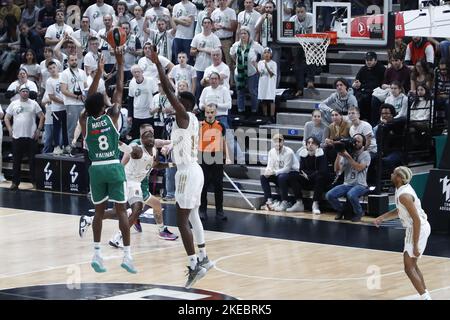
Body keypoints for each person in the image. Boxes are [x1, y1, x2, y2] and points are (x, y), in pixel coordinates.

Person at [150, 44, 213, 289]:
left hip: (188, 172)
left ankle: (194, 263)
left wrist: (158, 64)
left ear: (183, 104)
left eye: (177, 100)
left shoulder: (184, 115)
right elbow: (178, 143)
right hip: (192, 170)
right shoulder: (190, 121)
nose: (172, 102)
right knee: (193, 216)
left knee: (180, 219)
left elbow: (167, 88)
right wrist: (165, 145)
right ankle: (204, 256)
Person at [78, 49, 137, 274]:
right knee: (122, 211)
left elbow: (88, 100)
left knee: (99, 212)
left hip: (96, 169)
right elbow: (120, 89)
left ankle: (96, 254)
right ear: (103, 106)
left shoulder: (85, 120)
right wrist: (120, 65)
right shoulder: (112, 116)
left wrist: (99, 74)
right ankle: (127, 256)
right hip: (113, 166)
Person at [79, 124, 179, 246]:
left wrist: (172, 164)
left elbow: (156, 165)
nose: (150, 139)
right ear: (142, 140)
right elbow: (124, 147)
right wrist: (109, 138)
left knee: (120, 211)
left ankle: (89, 220)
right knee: (136, 209)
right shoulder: (137, 150)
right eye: (146, 137)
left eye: (151, 136)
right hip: (128, 182)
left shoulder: (153, 150)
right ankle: (119, 236)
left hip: (136, 183)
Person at [374, 166, 432, 300]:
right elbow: (400, 211)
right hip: (416, 227)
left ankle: (426, 297)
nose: (391, 174)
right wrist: (382, 217)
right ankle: (425, 294)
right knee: (412, 265)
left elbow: (416, 220)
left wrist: (416, 244)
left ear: (399, 178)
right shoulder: (400, 190)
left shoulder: (404, 195)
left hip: (418, 227)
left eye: (394, 173)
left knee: (408, 267)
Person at [4, 84, 45, 191]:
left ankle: (34, 182)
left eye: (27, 91)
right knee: (16, 161)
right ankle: (15, 183)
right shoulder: (14, 103)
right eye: (23, 91)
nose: (25, 93)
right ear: (19, 92)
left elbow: (42, 116)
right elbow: (7, 117)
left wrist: (38, 130)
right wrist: (9, 128)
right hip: (17, 136)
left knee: (32, 161)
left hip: (31, 137)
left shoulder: (34, 103)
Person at [325, 133, 371, 222]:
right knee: (329, 195)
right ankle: (341, 210)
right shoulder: (347, 152)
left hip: (360, 184)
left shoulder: (365, 154)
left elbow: (359, 168)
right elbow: (337, 170)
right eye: (354, 141)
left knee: (351, 194)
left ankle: (359, 213)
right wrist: (339, 152)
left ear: (363, 144)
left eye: (358, 141)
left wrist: (347, 156)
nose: (355, 143)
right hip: (347, 184)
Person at [199, 103, 230, 221]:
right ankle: (202, 210)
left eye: (212, 112)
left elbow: (223, 142)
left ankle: (219, 211)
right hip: (203, 156)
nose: (210, 114)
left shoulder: (221, 125)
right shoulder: (200, 126)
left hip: (217, 156)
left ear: (215, 113)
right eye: (208, 112)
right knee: (203, 185)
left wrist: (226, 156)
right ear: (205, 113)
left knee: (218, 185)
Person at [287, 136, 328, 214]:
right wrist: (306, 175)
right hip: (306, 178)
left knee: (320, 177)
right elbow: (301, 169)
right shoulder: (303, 154)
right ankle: (299, 202)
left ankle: (315, 204)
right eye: (308, 143)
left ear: (317, 145)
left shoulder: (321, 154)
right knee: (292, 175)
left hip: (317, 179)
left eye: (312, 143)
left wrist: (309, 176)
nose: (310, 145)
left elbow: (322, 170)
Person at [260, 133, 300, 212]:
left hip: (292, 173)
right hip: (279, 173)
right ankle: (269, 201)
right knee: (263, 177)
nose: (277, 143)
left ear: (283, 142)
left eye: (279, 141)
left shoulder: (289, 152)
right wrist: (267, 171)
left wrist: (274, 172)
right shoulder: (271, 152)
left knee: (282, 177)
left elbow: (287, 169)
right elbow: (269, 165)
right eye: (275, 141)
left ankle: (285, 201)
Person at [257, 47, 277, 123]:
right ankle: (265, 117)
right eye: (265, 53)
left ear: (271, 54)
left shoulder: (274, 63)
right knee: (264, 100)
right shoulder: (260, 63)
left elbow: (272, 74)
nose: (266, 54)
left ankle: (272, 117)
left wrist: (266, 66)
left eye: (268, 53)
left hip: (270, 83)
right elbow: (260, 72)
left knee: (271, 100)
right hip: (263, 83)